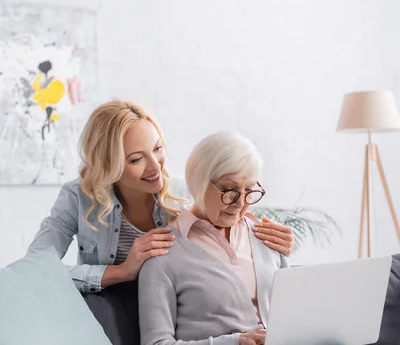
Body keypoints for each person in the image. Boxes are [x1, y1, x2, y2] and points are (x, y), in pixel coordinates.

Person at [138, 131, 385, 345]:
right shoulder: (165, 254)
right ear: (200, 183)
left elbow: (289, 308)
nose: (240, 203)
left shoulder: (265, 237)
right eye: (228, 191)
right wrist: (237, 342)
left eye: (249, 191)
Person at [27, 99, 294, 293]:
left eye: (157, 149)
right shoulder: (77, 197)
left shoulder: (186, 193)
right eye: (136, 159)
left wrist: (272, 245)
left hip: (171, 311)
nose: (156, 167)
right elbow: (36, 268)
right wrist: (121, 271)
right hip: (106, 309)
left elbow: (234, 229)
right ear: (109, 163)